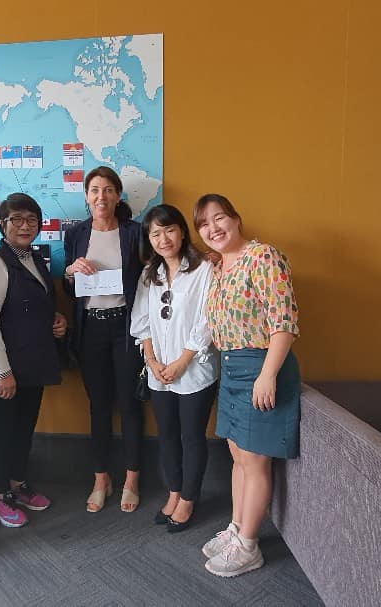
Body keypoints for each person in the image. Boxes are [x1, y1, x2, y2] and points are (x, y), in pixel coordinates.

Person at [194, 193, 300, 578]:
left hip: (260, 365)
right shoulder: (219, 266)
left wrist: (268, 374)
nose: (213, 228)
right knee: (238, 457)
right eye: (204, 224)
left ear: (236, 219)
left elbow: (284, 321)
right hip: (230, 367)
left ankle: (249, 546)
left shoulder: (263, 256)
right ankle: (237, 528)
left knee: (255, 462)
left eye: (219, 218)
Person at [0, 193, 68, 527]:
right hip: (6, 368)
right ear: (3, 224)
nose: (25, 226)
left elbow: (32, 306)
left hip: (32, 364)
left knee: (24, 429)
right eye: (16, 219)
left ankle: (17, 484)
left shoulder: (34, 259)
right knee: (2, 431)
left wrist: (57, 320)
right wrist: (2, 373)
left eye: (31, 220)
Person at [130, 204, 219, 534]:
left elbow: (207, 320)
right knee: (167, 436)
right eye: (155, 233)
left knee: (191, 436)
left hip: (195, 370)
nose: (163, 239)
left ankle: (189, 499)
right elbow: (141, 320)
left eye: (169, 230)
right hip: (159, 372)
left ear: (182, 231)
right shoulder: (148, 275)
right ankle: (174, 492)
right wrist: (152, 362)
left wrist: (181, 362)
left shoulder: (204, 269)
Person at [63, 166, 146, 513]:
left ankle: (131, 479)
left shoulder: (134, 232)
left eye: (108, 190)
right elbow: (69, 287)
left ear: (118, 195)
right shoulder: (76, 234)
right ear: (86, 196)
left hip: (126, 327)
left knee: (129, 404)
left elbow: (153, 273)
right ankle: (101, 479)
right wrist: (70, 271)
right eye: (95, 190)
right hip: (91, 329)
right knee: (98, 406)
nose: (102, 196)